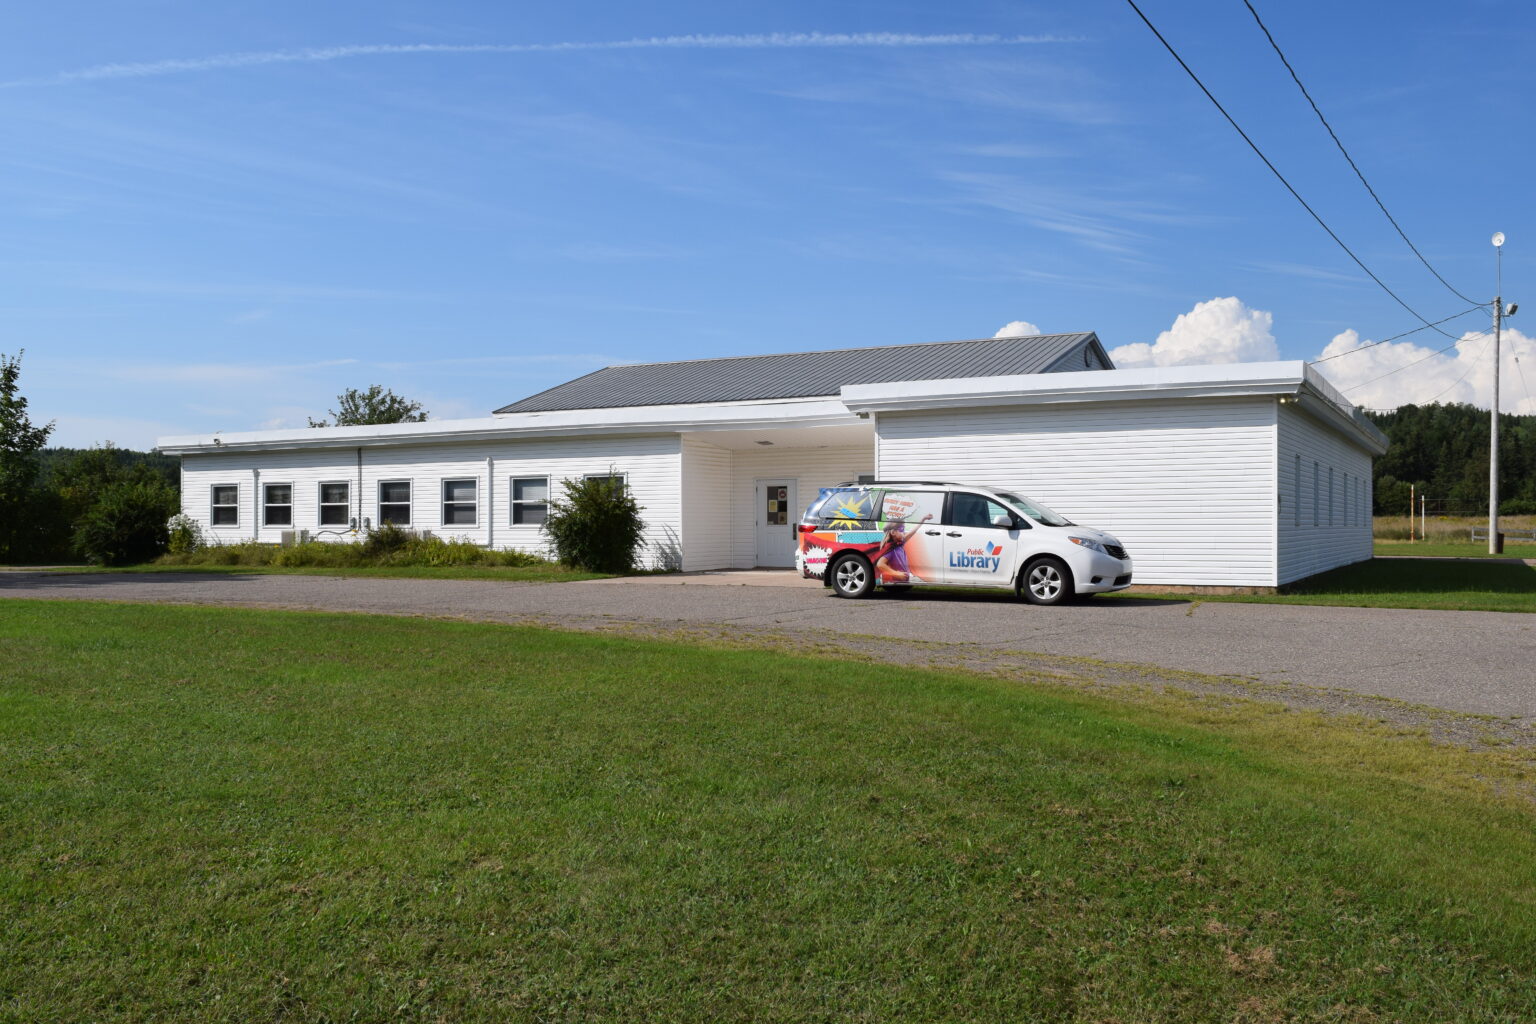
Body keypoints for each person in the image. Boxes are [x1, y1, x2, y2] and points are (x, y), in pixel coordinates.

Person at [873, 513, 933, 583]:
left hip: (904, 580)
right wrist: (896, 573)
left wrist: (923, 520)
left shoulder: (900, 544)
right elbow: (880, 564)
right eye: (902, 530)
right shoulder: (891, 550)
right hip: (896, 581)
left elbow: (912, 532)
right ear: (893, 532)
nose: (904, 532)